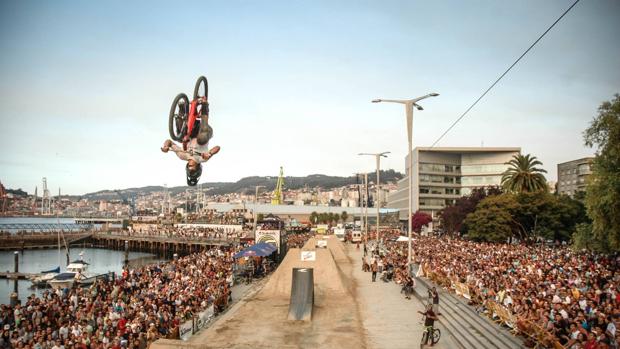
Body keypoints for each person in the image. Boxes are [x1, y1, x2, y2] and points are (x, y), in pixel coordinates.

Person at [161, 114, 220, 186]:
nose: (190, 165)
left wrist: (165, 146)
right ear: (197, 167)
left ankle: (181, 110)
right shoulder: (201, 159)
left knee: (179, 138)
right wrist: (210, 153)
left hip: (190, 131)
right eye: (192, 167)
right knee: (201, 140)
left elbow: (169, 142)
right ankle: (205, 108)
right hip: (204, 131)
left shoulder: (182, 156)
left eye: (189, 167)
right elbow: (217, 147)